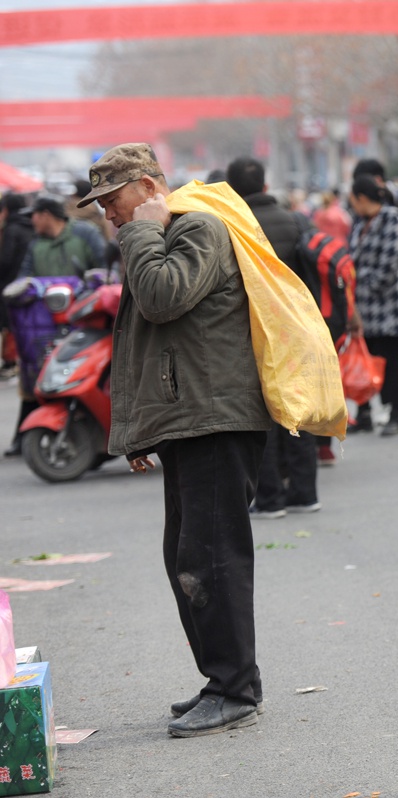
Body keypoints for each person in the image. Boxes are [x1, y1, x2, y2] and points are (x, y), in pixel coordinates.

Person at [78, 142, 271, 737]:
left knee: (211, 559)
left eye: (113, 200)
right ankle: (225, 680)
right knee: (186, 559)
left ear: (148, 185)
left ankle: (235, 690)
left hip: (216, 417)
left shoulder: (197, 227)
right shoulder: (163, 233)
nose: (109, 214)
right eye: (102, 206)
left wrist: (142, 231)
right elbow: (150, 342)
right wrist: (141, 428)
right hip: (189, 418)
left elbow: (162, 299)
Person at [226, 156, 321, 517]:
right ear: (266, 185)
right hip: (295, 330)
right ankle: (304, 494)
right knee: (298, 411)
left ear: (231, 189)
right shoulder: (296, 221)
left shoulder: (231, 225)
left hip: (253, 332)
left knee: (262, 416)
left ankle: (269, 498)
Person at [346, 175, 398, 436]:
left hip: (392, 305)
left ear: (361, 198)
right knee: (366, 358)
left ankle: (395, 414)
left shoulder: (391, 217)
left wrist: (361, 279)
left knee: (392, 360)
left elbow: (389, 262)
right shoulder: (360, 222)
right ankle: (365, 412)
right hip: (366, 306)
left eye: (353, 199)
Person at [1, 193, 35, 453]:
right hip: (32, 304)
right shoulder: (33, 230)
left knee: (29, 369)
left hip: (15, 300)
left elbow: (6, 263)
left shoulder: (12, 231)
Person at [18, 197, 105, 278]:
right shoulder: (36, 244)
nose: (32, 221)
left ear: (45, 215)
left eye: (33, 216)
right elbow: (24, 276)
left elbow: (104, 266)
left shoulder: (85, 232)